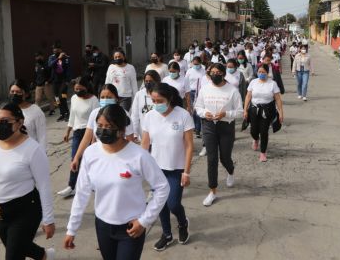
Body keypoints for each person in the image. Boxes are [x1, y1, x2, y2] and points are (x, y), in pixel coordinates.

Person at [64, 104, 169, 260]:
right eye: (99, 126)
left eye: (109, 126)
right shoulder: (91, 153)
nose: (103, 130)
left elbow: (162, 187)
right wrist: (71, 229)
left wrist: (144, 220)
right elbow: (82, 193)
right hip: (103, 226)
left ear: (121, 129)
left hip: (131, 228)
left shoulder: (139, 156)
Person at [0, 103, 55, 260]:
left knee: (13, 255)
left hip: (25, 211)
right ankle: (44, 255)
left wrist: (49, 219)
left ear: (19, 122)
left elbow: (44, 186)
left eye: (5, 121)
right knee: (20, 247)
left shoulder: (32, 149)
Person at [141, 83, 193, 251]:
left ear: (169, 99)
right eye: (153, 101)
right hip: (156, 168)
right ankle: (167, 234)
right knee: (159, 205)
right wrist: (140, 166)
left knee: (173, 204)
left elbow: (189, 146)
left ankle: (183, 223)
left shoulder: (183, 115)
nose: (157, 104)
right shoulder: (149, 116)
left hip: (176, 169)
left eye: (160, 100)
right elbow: (145, 143)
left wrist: (186, 172)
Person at [194, 63, 243, 207]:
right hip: (209, 126)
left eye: (218, 72)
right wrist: (204, 113)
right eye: (212, 72)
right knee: (212, 159)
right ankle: (212, 191)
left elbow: (240, 112)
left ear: (223, 74)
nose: (214, 74)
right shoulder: (205, 89)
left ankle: (231, 170)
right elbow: (198, 107)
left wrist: (226, 114)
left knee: (224, 157)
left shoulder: (232, 90)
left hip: (226, 126)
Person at [69, 84, 135, 174]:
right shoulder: (94, 113)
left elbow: (130, 140)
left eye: (109, 97)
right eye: (103, 97)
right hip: (100, 157)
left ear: (116, 98)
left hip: (119, 156)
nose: (105, 100)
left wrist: (130, 161)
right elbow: (86, 138)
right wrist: (76, 157)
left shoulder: (124, 114)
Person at [58, 77, 99, 198]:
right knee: (75, 158)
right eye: (76, 89)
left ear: (87, 88)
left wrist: (93, 139)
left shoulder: (94, 100)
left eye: (80, 89)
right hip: (77, 132)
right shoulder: (74, 98)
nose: (78, 91)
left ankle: (93, 182)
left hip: (89, 132)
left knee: (90, 160)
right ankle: (71, 186)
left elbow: (96, 120)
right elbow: (72, 116)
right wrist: (67, 131)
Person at [243, 64, 284, 162]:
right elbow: (248, 96)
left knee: (264, 131)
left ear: (267, 73)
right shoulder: (253, 82)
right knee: (253, 130)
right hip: (254, 109)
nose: (261, 74)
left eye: (263, 72)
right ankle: (256, 139)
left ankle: (263, 153)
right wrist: (245, 110)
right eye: (259, 72)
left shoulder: (272, 84)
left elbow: (278, 99)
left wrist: (281, 113)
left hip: (267, 110)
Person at [9, 79, 47, 150]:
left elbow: (42, 137)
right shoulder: (7, 110)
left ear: (26, 94)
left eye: (18, 92)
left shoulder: (36, 111)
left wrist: (42, 154)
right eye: (12, 91)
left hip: (31, 152)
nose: (14, 94)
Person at [131, 70, 161, 141]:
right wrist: (135, 133)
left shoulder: (162, 94)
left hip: (159, 134)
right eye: (146, 81)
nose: (148, 83)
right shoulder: (139, 94)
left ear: (157, 81)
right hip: (144, 135)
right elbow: (135, 115)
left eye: (151, 81)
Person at [47, 43, 71, 122]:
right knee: (57, 98)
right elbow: (50, 65)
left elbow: (68, 69)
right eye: (53, 49)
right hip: (55, 81)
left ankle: (67, 113)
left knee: (62, 97)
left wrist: (68, 80)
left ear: (60, 49)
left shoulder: (66, 57)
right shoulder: (52, 57)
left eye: (56, 48)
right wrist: (58, 59)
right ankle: (62, 114)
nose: (55, 50)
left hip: (63, 81)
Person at [185, 57, 206, 138]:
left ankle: (198, 129)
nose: (196, 65)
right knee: (192, 111)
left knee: (198, 111)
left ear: (200, 63)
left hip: (200, 93)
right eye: (194, 64)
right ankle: (194, 127)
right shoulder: (189, 71)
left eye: (197, 64)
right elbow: (186, 82)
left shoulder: (203, 70)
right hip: (191, 92)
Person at [33, 52, 56, 116]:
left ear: (42, 56)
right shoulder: (37, 64)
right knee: (37, 99)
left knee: (50, 98)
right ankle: (36, 112)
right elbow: (36, 74)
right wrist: (34, 82)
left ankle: (52, 110)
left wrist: (49, 81)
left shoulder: (47, 64)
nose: (37, 58)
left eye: (39, 56)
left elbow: (52, 74)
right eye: (36, 57)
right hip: (38, 84)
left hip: (47, 84)